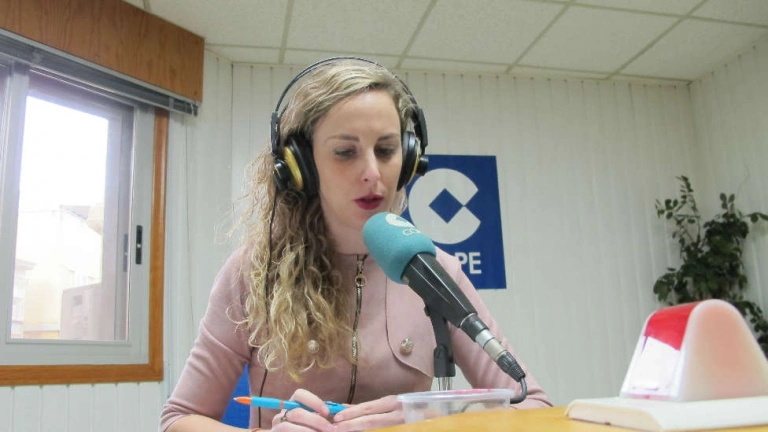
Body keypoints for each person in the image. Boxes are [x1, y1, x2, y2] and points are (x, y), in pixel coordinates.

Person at [159, 57, 551, 432]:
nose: (372, 173)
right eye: (345, 152)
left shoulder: (436, 271)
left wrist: (429, 420)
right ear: (302, 165)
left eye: (386, 150)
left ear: (409, 159)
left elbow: (534, 405)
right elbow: (179, 418)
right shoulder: (254, 272)